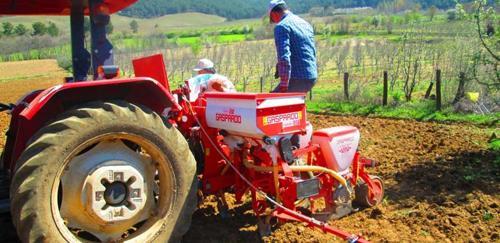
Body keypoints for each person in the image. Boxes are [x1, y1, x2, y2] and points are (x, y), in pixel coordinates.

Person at [268, 0, 318, 93]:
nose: (275, 22)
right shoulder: (305, 23)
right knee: (292, 105)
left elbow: (284, 57)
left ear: (274, 14)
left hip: (297, 78)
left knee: (269, 104)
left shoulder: (282, 26)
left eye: (273, 19)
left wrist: (284, 84)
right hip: (311, 76)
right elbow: (310, 50)